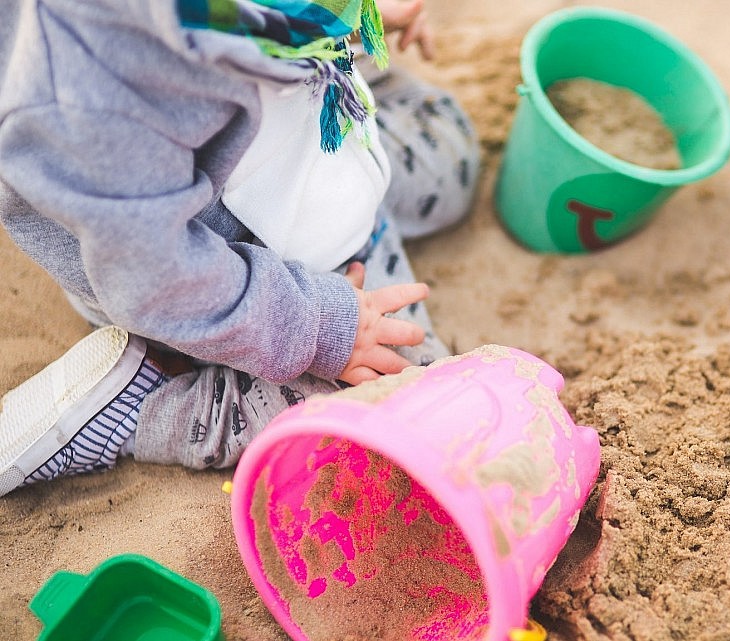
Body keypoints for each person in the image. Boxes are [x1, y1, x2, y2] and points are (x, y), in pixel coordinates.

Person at [0, 0, 480, 497]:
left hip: (310, 146)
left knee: (451, 155)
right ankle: (148, 406)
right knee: (411, 400)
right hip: (229, 282)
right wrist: (320, 329)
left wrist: (355, 16)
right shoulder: (89, 92)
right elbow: (158, 282)